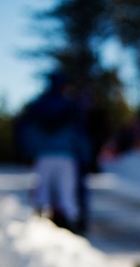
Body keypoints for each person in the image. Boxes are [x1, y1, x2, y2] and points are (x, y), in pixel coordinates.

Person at [18, 71, 90, 233]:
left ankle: (41, 229)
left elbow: (26, 131)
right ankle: (72, 229)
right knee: (67, 196)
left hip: (43, 156)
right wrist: (85, 157)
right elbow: (79, 134)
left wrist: (27, 153)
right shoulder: (70, 107)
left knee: (42, 195)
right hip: (66, 156)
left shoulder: (37, 106)